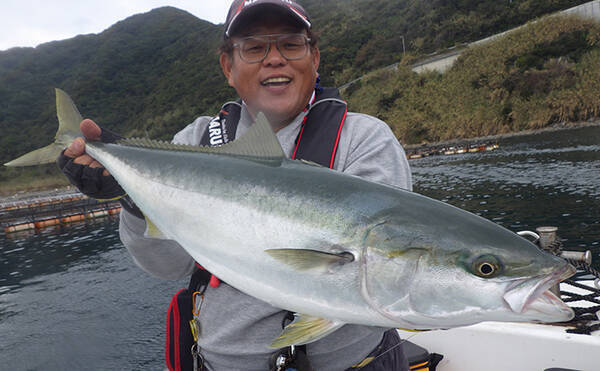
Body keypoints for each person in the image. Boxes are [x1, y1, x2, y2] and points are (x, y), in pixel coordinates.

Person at [58, 0, 413, 369]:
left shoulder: (363, 140)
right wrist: (132, 198)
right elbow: (166, 265)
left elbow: (379, 278)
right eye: (255, 48)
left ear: (315, 57)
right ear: (228, 66)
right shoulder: (195, 143)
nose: (275, 59)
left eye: (291, 44)